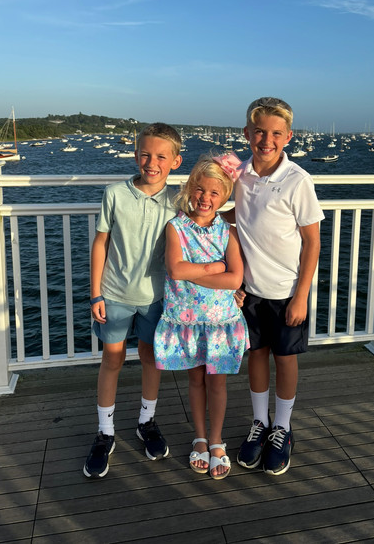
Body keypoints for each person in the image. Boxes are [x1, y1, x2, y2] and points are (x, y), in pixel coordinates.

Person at [226, 97, 324, 476]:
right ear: (247, 134)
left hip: (286, 292)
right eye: (260, 132)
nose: (267, 139)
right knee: (256, 355)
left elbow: (312, 241)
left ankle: (282, 426)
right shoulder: (240, 175)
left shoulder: (297, 179)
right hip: (249, 289)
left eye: (276, 133)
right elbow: (236, 214)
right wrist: (198, 210)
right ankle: (259, 423)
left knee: (285, 359)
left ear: (288, 137)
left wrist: (301, 294)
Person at [83, 122, 183, 479]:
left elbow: (213, 212)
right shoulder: (115, 193)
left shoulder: (179, 199)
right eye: (145, 153)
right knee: (112, 359)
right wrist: (95, 292)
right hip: (113, 294)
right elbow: (101, 243)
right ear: (135, 154)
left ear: (175, 161)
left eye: (160, 156)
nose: (151, 162)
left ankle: (147, 421)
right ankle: (105, 431)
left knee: (151, 357)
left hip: (157, 298)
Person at [153, 153, 249, 480]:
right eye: (200, 190)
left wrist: (199, 273)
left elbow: (235, 279)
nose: (205, 198)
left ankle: (218, 438)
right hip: (187, 321)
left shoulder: (228, 231)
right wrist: (213, 268)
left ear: (224, 197)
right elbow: (175, 269)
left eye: (214, 193)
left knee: (217, 382)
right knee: (196, 380)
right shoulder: (175, 227)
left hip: (221, 321)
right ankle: (200, 437)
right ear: (190, 188)